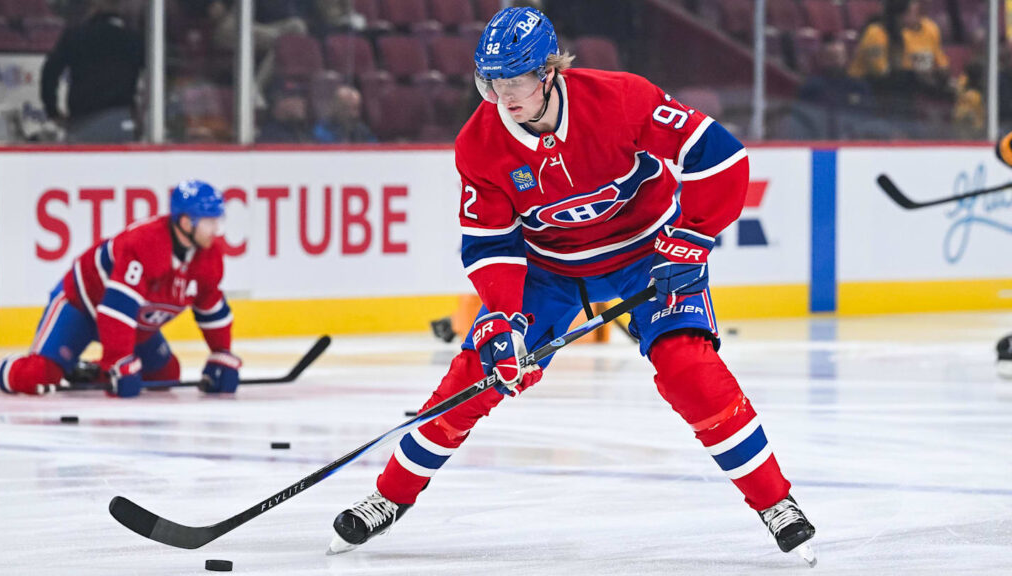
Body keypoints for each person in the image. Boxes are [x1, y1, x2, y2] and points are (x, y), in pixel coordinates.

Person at [327, 6, 816, 565]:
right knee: (476, 375)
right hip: (550, 272)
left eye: (516, 81)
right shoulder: (479, 144)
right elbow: (491, 245)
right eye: (491, 83)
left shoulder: (622, 99)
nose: (504, 96)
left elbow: (720, 157)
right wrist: (503, 318)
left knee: (688, 368)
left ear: (549, 71)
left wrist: (692, 240)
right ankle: (388, 497)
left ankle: (775, 502)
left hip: (648, 253)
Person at [0, 181, 241, 398]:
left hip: (133, 323)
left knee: (166, 374)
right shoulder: (145, 243)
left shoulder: (209, 257)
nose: (216, 229)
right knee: (40, 375)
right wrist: (118, 361)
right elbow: (117, 308)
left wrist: (221, 354)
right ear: (186, 223)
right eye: (209, 221)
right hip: (82, 307)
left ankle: (89, 372)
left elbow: (211, 308)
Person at [40, 0, 145, 143]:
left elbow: (50, 73)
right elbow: (154, 78)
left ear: (94, 6)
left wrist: (53, 111)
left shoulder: (76, 35)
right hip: (121, 122)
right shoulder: (133, 39)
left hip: (82, 123)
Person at [847, 0, 949, 91]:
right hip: (859, 92)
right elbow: (880, 74)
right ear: (900, 15)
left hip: (885, 92)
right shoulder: (876, 33)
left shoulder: (899, 35)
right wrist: (914, 77)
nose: (920, 18)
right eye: (914, 12)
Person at [312, 85, 376, 144]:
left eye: (356, 108)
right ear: (337, 107)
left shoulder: (361, 129)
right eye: (348, 108)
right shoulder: (322, 129)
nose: (355, 114)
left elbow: (374, 149)